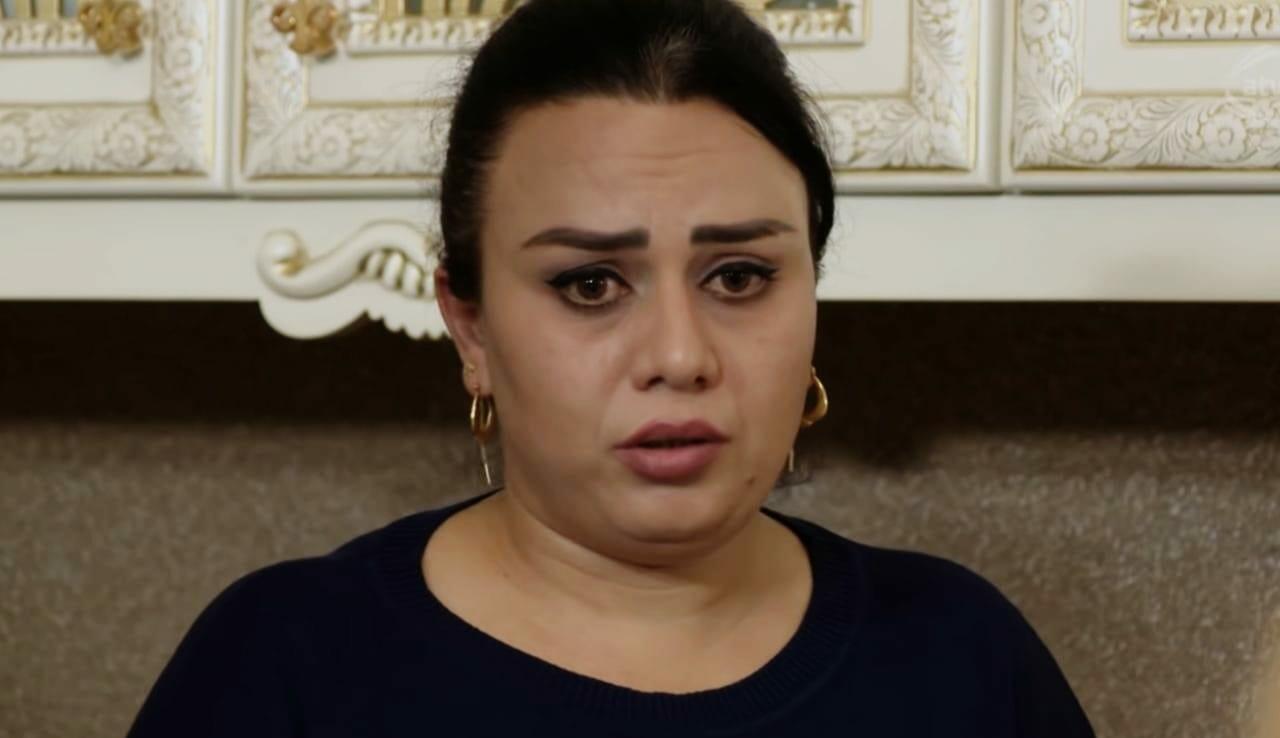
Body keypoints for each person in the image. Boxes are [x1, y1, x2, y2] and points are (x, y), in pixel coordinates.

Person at [126, 0, 1097, 735]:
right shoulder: (283, 667)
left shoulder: (964, 661)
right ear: (470, 328)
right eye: (589, 284)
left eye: (739, 276)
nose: (678, 356)